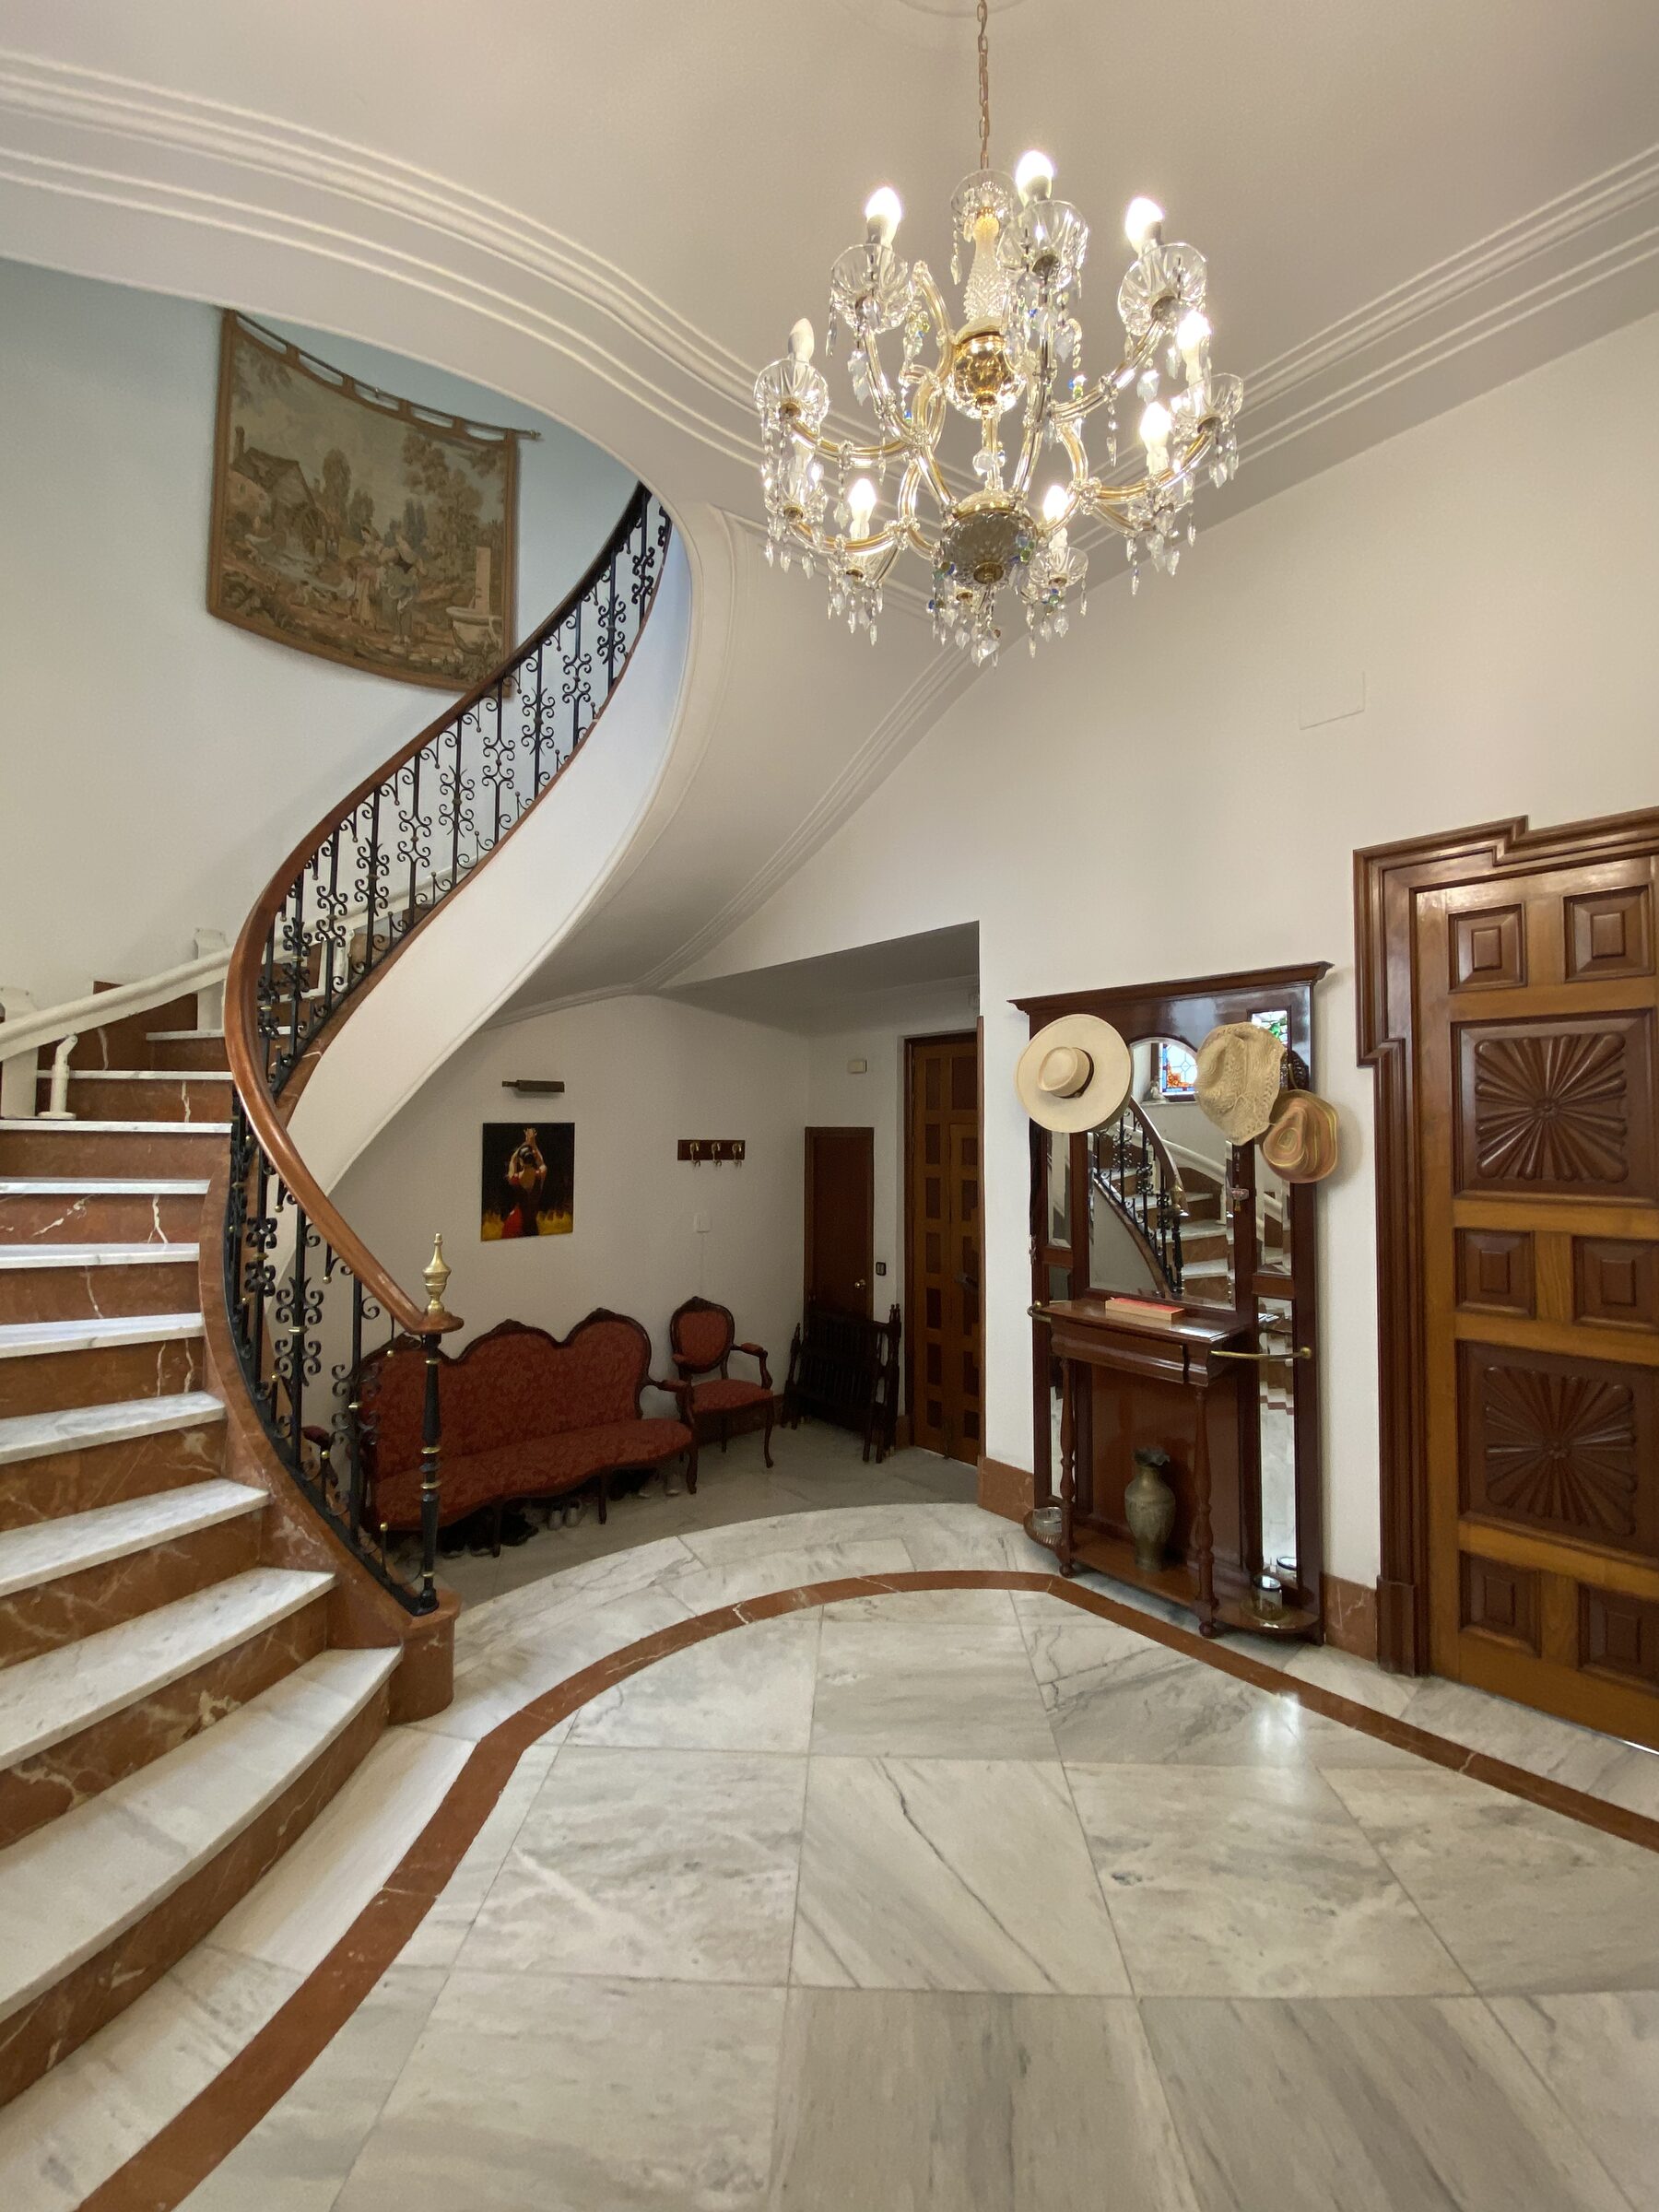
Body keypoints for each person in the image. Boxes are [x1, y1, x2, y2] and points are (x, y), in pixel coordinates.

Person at [500, 1128, 547, 1238]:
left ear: (521, 1161)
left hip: (515, 1224)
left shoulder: (515, 1179)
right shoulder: (540, 1175)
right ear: (533, 1157)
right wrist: (533, 1143)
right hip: (531, 1226)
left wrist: (525, 1143)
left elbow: (512, 1159)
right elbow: (541, 1162)